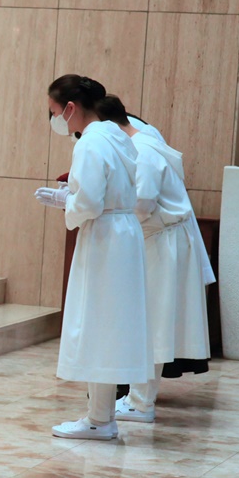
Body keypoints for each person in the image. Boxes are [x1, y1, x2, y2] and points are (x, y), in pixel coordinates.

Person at [35, 75, 152, 440]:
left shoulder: (89, 142)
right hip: (124, 232)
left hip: (105, 236)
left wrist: (65, 201)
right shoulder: (117, 134)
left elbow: (88, 203)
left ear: (70, 108)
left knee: (98, 322)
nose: (55, 120)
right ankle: (101, 415)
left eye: (55, 111)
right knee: (110, 324)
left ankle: (100, 419)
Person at [94, 96, 213, 423]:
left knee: (153, 322)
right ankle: (139, 399)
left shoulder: (143, 150)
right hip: (161, 239)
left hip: (161, 242)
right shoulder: (144, 142)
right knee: (150, 321)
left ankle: (140, 403)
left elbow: (142, 204)